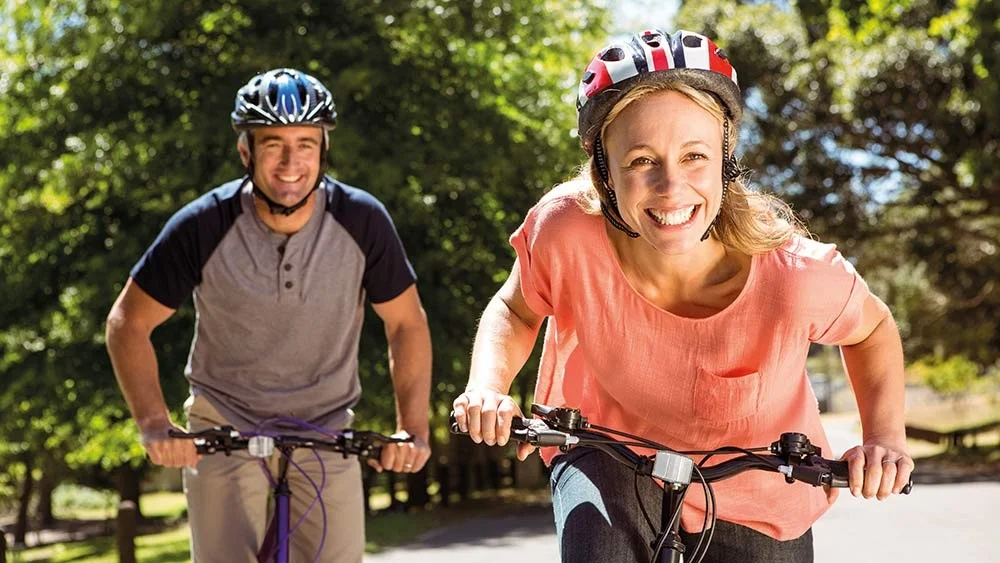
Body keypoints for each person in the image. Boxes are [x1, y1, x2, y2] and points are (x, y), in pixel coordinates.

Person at [452, 29, 913, 563]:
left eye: (694, 156)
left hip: (758, 492)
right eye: (642, 160)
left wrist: (884, 436)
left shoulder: (793, 274)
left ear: (725, 158)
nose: (671, 188)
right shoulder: (566, 230)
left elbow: (873, 329)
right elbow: (515, 307)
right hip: (610, 456)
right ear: (603, 169)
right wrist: (487, 385)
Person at [106, 68, 432, 563]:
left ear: (324, 149)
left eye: (305, 143)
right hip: (224, 430)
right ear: (245, 151)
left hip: (326, 431)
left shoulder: (362, 220)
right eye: (272, 143)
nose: (289, 162)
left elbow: (406, 323)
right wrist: (155, 423)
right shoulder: (203, 224)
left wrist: (413, 429)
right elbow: (127, 323)